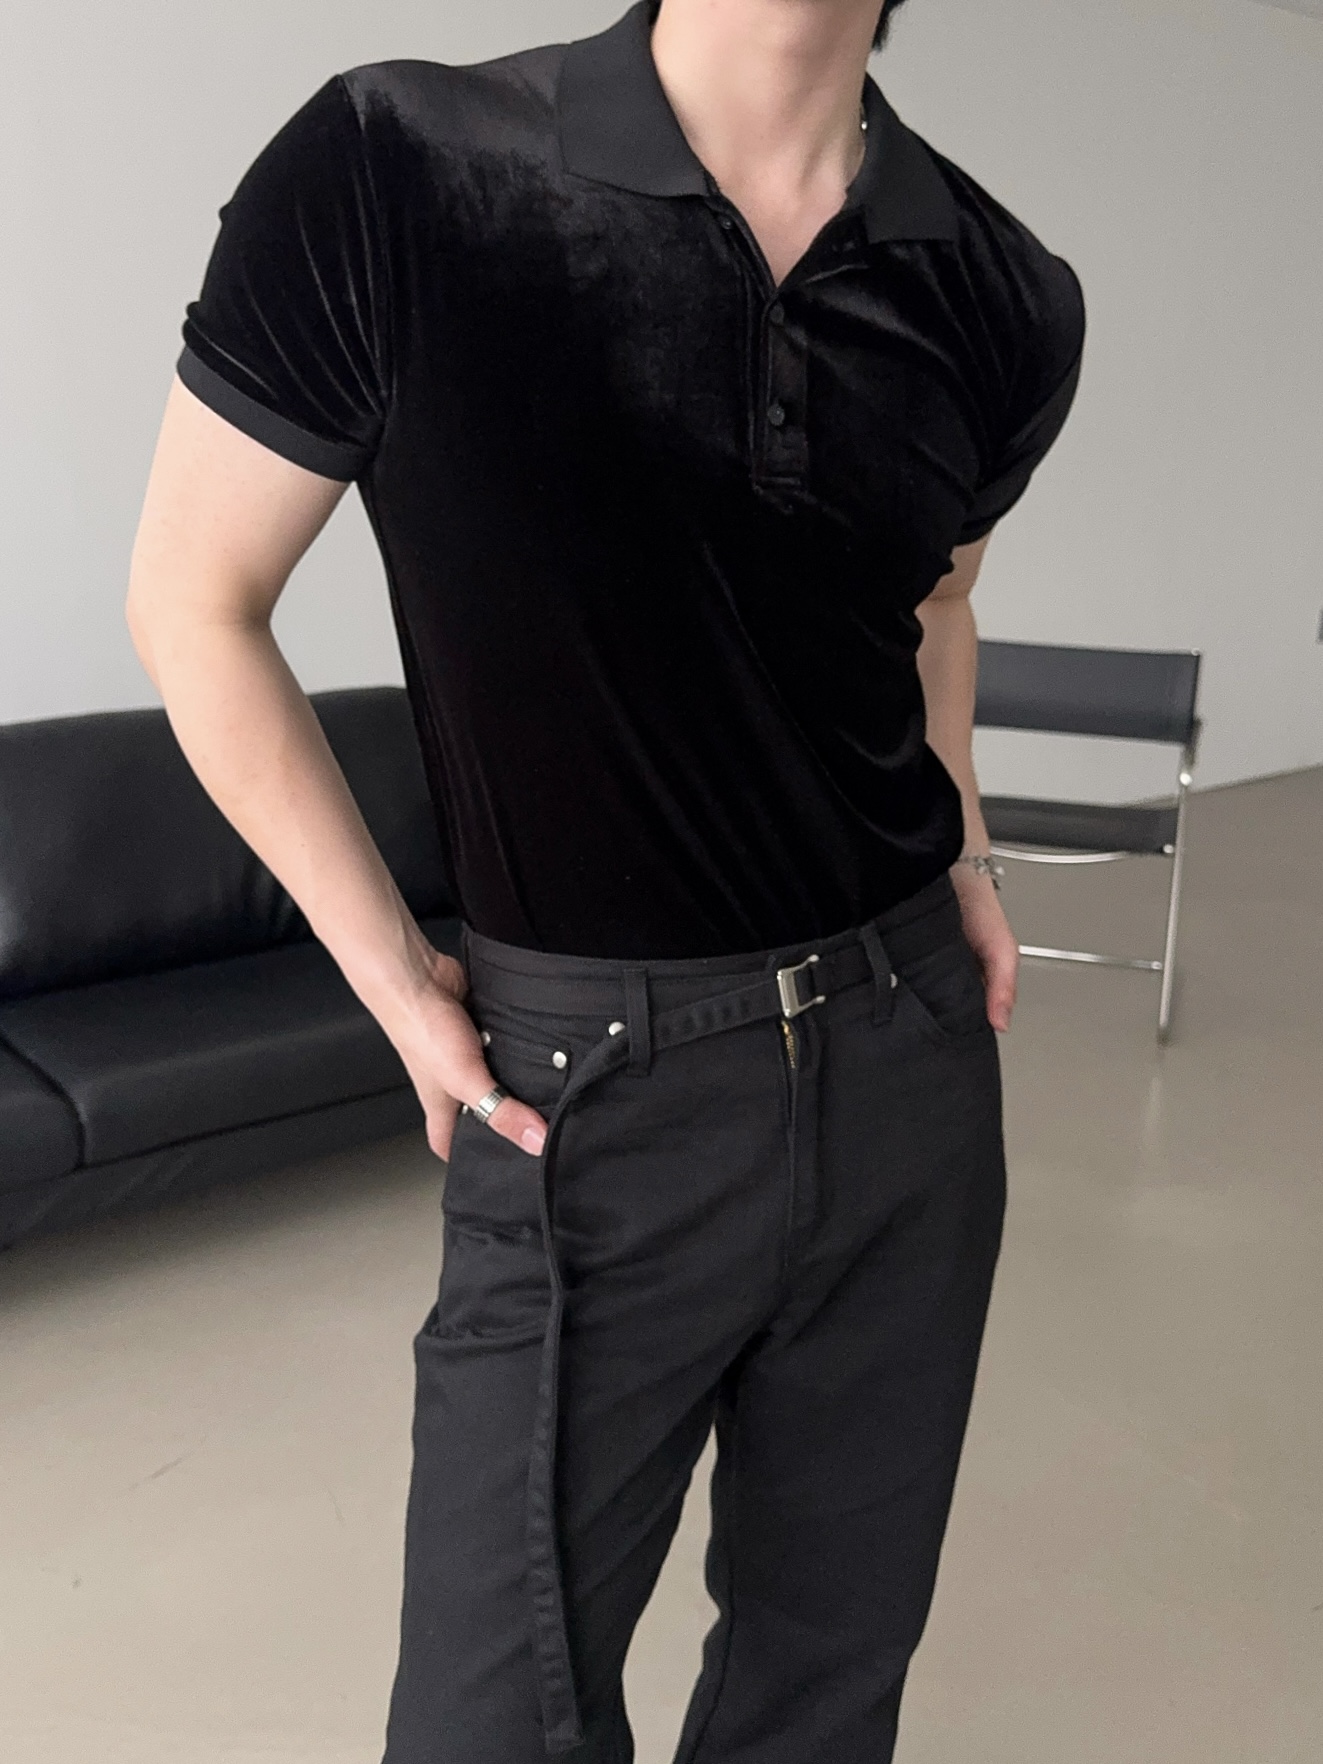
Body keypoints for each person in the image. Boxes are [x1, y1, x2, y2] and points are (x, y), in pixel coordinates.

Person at [125, 0, 1085, 1758]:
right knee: (489, 1720)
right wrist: (392, 975)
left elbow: (938, 601)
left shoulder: (1005, 291)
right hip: (586, 1087)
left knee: (826, 1680)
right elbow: (194, 602)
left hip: (909, 1068)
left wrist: (967, 846)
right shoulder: (397, 165)